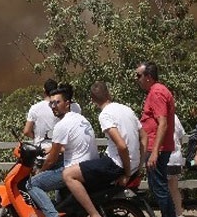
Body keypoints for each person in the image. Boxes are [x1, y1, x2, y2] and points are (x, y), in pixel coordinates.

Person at [62, 81, 147, 217]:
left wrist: (127, 172)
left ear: (93, 99)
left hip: (117, 164)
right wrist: (139, 165)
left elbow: (122, 145)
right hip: (132, 163)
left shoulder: (105, 115)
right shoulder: (127, 109)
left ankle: (94, 214)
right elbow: (144, 137)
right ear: (109, 93)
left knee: (68, 175)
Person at [27, 83, 98, 217]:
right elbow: (70, 145)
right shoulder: (81, 118)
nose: (54, 106)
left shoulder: (62, 125)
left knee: (32, 184)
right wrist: (52, 149)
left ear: (67, 103)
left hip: (74, 169)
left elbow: (51, 160)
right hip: (88, 165)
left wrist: (40, 172)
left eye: (57, 102)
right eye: (51, 103)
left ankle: (52, 215)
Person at [135, 61, 177, 217]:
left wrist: (154, 152)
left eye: (138, 75)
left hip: (156, 147)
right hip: (156, 147)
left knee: (159, 188)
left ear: (148, 77)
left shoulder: (157, 92)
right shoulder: (156, 91)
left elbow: (163, 123)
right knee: (157, 187)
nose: (136, 79)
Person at [23, 79, 82, 150]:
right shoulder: (74, 107)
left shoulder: (35, 108)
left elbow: (26, 131)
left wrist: (37, 137)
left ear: (44, 91)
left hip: (42, 150)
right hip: (62, 149)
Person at [167, 114, 186, 217]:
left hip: (165, 158)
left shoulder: (156, 116)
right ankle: (179, 213)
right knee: (174, 188)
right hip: (176, 157)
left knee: (163, 189)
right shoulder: (174, 116)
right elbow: (181, 136)